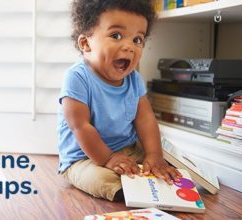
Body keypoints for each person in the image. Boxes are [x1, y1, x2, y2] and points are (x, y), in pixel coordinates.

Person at [57, 0, 182, 201]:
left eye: (138, 40)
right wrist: (108, 158)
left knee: (166, 164)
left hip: (127, 149)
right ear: (86, 44)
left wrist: (154, 155)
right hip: (84, 158)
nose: (129, 47)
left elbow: (145, 120)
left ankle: (149, 180)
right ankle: (131, 188)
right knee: (103, 180)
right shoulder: (77, 78)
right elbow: (80, 126)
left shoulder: (134, 80)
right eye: (116, 36)